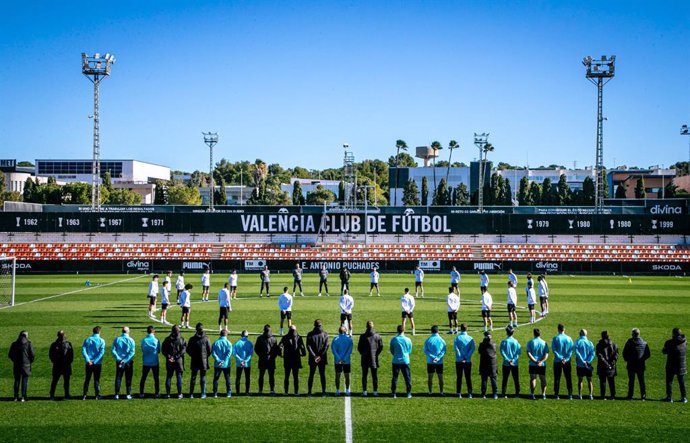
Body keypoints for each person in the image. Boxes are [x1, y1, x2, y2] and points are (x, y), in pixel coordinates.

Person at [622, 327, 650, 400]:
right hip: (640, 365)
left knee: (631, 381)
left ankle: (630, 395)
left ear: (633, 334)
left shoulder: (629, 342)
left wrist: (627, 359)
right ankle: (643, 396)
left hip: (631, 364)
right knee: (641, 381)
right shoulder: (644, 343)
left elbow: (624, 353)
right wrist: (642, 359)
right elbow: (648, 354)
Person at [358, 320, 383, 397]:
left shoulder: (362, 336)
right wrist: (376, 354)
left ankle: (364, 391)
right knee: (374, 376)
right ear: (373, 326)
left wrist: (363, 354)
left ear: (366, 326)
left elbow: (359, 348)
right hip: (374, 359)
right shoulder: (377, 336)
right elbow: (381, 347)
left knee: (364, 376)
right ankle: (375, 391)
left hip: (364, 358)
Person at [187, 322, 212, 398]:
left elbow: (188, 350)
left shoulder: (192, 339)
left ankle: (191, 393)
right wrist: (205, 356)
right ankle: (203, 393)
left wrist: (193, 355)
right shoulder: (206, 338)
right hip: (203, 361)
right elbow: (209, 350)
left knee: (193, 377)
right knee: (203, 377)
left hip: (194, 360)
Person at [661, 328, 687, 403]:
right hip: (681, 365)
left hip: (671, 365)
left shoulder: (669, 342)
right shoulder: (684, 341)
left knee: (669, 381)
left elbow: (664, 351)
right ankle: (684, 397)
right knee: (681, 382)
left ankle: (669, 397)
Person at [279, 325, 306, 395]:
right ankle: (296, 392)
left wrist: (280, 354)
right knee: (296, 377)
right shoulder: (298, 337)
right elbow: (302, 347)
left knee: (286, 376)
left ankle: (286, 392)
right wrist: (303, 354)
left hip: (287, 359)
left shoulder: (285, 337)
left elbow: (280, 346)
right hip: (296, 359)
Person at [8, 330, 35, 402]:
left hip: (17, 365)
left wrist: (15, 361)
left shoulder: (14, 344)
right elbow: (32, 355)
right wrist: (29, 362)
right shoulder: (28, 344)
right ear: (26, 336)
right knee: (24, 381)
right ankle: (23, 396)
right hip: (26, 365)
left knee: (17, 381)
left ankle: (15, 397)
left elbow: (10, 355)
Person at [162, 325, 186, 399]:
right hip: (178, 361)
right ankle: (179, 394)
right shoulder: (182, 339)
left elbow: (163, 350)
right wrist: (176, 357)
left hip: (170, 361)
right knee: (179, 376)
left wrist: (169, 356)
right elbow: (183, 350)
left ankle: (168, 394)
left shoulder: (167, 339)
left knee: (169, 376)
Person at [112, 326, 136, 400]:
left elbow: (113, 350)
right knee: (128, 377)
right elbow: (132, 352)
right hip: (128, 361)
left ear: (122, 331)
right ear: (128, 331)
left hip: (119, 361)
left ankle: (116, 394)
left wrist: (119, 359)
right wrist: (125, 360)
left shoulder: (117, 339)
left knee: (118, 377)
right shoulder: (131, 340)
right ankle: (128, 394)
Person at [255, 324, 280, 395]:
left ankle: (260, 391)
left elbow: (256, 349)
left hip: (262, 359)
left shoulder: (260, 338)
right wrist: (273, 357)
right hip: (271, 360)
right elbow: (275, 350)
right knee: (271, 376)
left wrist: (260, 355)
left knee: (261, 376)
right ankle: (272, 390)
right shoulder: (274, 339)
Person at [307, 319, 330, 396]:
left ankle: (309, 392)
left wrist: (314, 356)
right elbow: (326, 347)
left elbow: (308, 346)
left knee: (311, 374)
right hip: (322, 358)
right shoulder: (325, 334)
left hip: (312, 358)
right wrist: (320, 356)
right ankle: (323, 391)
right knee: (322, 375)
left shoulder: (310, 334)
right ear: (321, 325)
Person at [82, 326, 106, 400]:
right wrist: (95, 361)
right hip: (97, 363)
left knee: (87, 379)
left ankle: (84, 395)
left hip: (88, 363)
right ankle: (96, 395)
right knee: (96, 379)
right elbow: (101, 353)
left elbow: (84, 351)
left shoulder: (87, 340)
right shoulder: (101, 340)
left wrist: (88, 360)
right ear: (99, 332)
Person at [49, 329, 74, 400]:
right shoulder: (68, 344)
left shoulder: (54, 344)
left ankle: (52, 395)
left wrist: (55, 362)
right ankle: (66, 395)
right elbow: (71, 356)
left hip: (57, 365)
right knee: (66, 382)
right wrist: (68, 362)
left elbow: (51, 355)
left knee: (55, 381)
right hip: (66, 365)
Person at [390, 325, 413, 398]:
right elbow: (409, 350)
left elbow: (392, 350)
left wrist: (396, 355)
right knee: (407, 377)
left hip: (396, 360)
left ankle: (393, 393)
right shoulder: (408, 339)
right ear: (404, 330)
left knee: (395, 377)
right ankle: (408, 393)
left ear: (397, 330)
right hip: (405, 360)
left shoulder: (394, 339)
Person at [552, 323, 574, 400]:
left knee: (557, 378)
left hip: (557, 361)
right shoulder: (569, 338)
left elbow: (554, 350)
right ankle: (570, 394)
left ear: (558, 329)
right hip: (567, 361)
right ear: (564, 329)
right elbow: (571, 350)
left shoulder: (555, 338)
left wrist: (561, 358)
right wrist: (566, 358)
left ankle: (556, 394)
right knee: (568, 378)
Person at [424, 325, 447, 396]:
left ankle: (430, 392)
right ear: (438, 331)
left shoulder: (428, 340)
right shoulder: (442, 340)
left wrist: (432, 357)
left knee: (430, 377)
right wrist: (438, 358)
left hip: (430, 361)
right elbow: (444, 350)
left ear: (431, 331)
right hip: (439, 362)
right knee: (440, 377)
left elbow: (425, 351)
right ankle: (441, 392)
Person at [527, 328, 549, 400]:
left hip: (533, 364)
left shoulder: (530, 342)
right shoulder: (544, 342)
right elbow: (546, 354)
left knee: (533, 379)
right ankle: (543, 394)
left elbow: (529, 353)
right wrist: (541, 361)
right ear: (540, 334)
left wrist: (535, 361)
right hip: (542, 364)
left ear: (534, 334)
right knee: (543, 379)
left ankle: (532, 394)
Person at [139, 325, 161, 398]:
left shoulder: (144, 340)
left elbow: (142, 349)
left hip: (146, 362)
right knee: (156, 378)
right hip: (154, 361)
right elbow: (158, 351)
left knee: (143, 377)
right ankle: (157, 393)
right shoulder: (156, 340)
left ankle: (141, 393)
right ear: (153, 331)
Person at [596, 330, 618, 400]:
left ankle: (603, 396)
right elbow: (616, 355)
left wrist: (606, 364)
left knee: (603, 381)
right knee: (611, 381)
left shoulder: (599, 345)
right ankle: (613, 396)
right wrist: (611, 364)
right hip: (612, 367)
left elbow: (600, 356)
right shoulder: (614, 345)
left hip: (602, 366)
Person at [454, 323, 475, 398]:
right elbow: (472, 349)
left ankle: (458, 393)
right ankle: (470, 393)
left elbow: (456, 349)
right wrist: (466, 357)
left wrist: (461, 357)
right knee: (468, 377)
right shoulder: (470, 338)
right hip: (467, 361)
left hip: (459, 360)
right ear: (467, 329)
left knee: (459, 377)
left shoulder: (457, 338)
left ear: (460, 328)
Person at [332, 326, 354, 396]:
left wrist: (339, 359)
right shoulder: (349, 339)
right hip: (346, 361)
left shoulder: (335, 339)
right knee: (347, 376)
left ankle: (337, 390)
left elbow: (334, 350)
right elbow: (349, 350)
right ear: (346, 331)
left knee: (337, 375)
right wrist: (344, 359)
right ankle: (347, 390)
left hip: (337, 361)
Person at [500, 326, 521, 398]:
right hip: (514, 363)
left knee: (505, 379)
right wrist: (513, 360)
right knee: (516, 379)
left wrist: (507, 360)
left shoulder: (504, 341)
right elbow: (518, 352)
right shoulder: (516, 341)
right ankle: (517, 393)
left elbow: (502, 352)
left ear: (506, 333)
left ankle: (503, 393)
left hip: (506, 363)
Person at [574, 329, 595, 400]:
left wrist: (583, 361)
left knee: (580, 380)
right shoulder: (590, 343)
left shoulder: (577, 342)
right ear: (586, 334)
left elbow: (577, 352)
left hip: (580, 364)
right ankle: (590, 395)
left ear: (580, 334)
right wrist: (588, 361)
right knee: (590, 380)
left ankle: (580, 395)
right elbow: (592, 354)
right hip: (588, 365)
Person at [211, 329, 233, 398]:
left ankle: (215, 393)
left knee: (216, 379)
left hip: (217, 364)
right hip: (226, 364)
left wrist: (219, 361)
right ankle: (228, 392)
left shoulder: (216, 342)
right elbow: (229, 354)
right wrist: (223, 361)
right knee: (227, 378)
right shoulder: (228, 343)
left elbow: (213, 353)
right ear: (226, 335)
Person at [234, 330, 254, 395]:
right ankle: (247, 392)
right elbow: (250, 354)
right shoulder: (250, 343)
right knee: (247, 378)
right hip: (247, 364)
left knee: (238, 377)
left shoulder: (237, 343)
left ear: (241, 335)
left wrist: (240, 360)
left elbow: (234, 353)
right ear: (247, 336)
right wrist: (245, 361)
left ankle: (237, 392)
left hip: (239, 363)